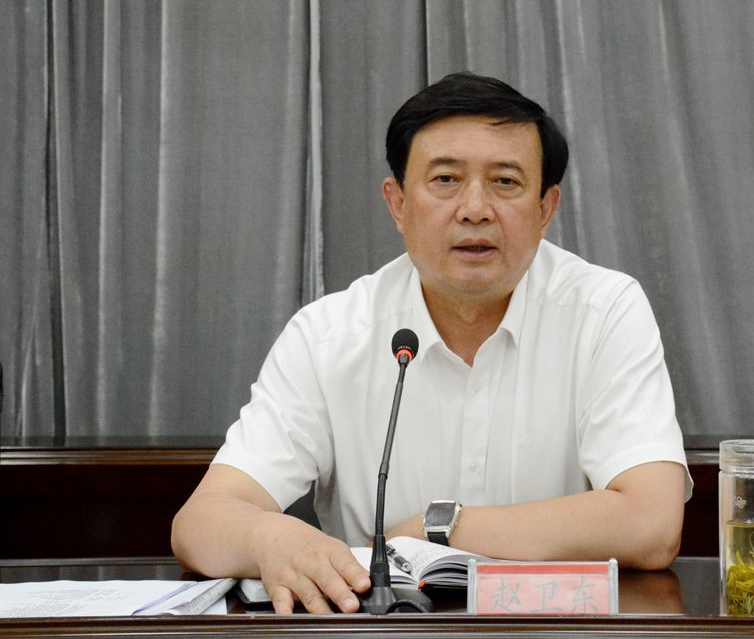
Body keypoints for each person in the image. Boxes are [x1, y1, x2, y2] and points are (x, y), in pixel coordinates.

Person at [171, 72, 692, 615]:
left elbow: (651, 525)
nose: (475, 208)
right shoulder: (328, 336)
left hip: (554, 637)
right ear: (397, 202)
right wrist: (271, 538)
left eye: (505, 182)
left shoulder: (603, 312)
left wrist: (437, 528)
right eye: (445, 180)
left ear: (545, 209)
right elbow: (200, 522)